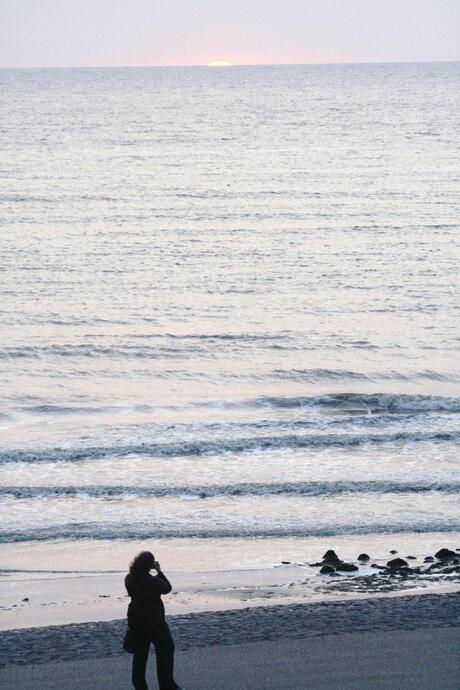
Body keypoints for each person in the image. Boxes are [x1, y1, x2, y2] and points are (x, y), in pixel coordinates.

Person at [125, 551, 182, 690]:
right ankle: (166, 684)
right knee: (166, 650)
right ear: (149, 565)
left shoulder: (129, 578)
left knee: (140, 655)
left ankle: (140, 686)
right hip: (155, 621)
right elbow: (167, 588)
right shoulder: (153, 581)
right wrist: (159, 571)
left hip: (136, 620)